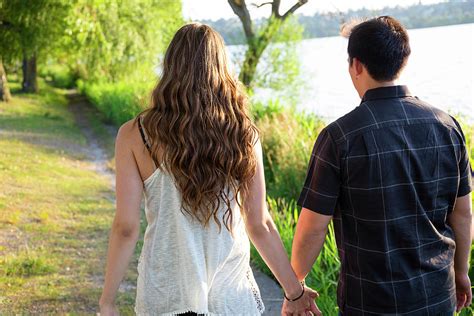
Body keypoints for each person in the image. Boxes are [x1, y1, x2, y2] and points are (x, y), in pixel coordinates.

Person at [99, 23, 319, 316]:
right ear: (221, 67)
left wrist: (108, 302)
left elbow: (126, 228)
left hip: (166, 295)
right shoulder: (243, 134)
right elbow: (259, 224)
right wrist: (294, 292)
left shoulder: (134, 134)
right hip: (231, 297)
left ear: (170, 66)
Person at [284, 16, 473, 315]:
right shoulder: (448, 126)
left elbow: (312, 229)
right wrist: (461, 273)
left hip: (371, 304)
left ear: (356, 65)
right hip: (437, 296)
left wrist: (294, 287)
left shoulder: (339, 137)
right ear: (404, 60)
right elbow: (462, 214)